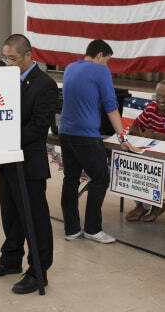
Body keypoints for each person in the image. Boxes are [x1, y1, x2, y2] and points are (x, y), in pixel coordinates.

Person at [0, 34, 58, 294]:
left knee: (34, 219)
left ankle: (38, 271)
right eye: (5, 58)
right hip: (7, 161)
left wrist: (4, 137)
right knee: (10, 214)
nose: (8, 63)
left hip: (29, 163)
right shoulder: (4, 81)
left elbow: (38, 128)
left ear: (29, 55)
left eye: (13, 59)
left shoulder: (45, 85)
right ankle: (11, 257)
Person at [59, 39, 139, 244]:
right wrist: (123, 138)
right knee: (101, 178)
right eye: (107, 61)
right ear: (100, 55)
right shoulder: (100, 71)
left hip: (65, 133)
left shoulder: (70, 68)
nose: (107, 66)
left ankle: (72, 229)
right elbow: (111, 107)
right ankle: (93, 229)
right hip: (86, 136)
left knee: (70, 179)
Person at [125, 80, 165, 222]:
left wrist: (155, 136)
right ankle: (142, 204)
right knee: (130, 166)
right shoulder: (152, 107)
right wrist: (137, 133)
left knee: (155, 170)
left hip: (163, 158)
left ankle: (154, 205)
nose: (161, 100)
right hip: (150, 153)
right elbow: (135, 125)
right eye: (158, 96)